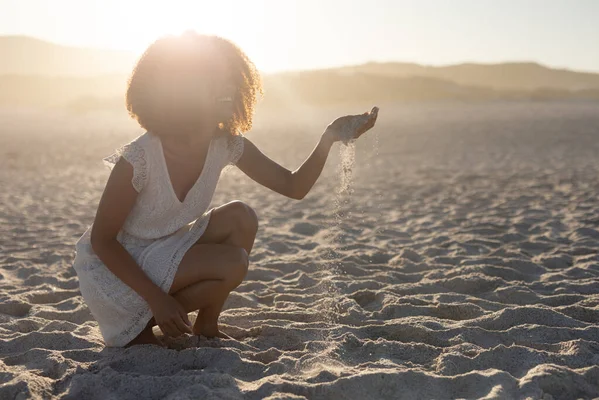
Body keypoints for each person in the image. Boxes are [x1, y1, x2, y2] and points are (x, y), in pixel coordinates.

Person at [71, 30, 379, 348]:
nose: (228, 89)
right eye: (214, 80)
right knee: (233, 263)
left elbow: (293, 185)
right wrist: (156, 299)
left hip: (164, 250)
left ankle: (207, 324)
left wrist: (329, 136)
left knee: (241, 217)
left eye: (230, 79)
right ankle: (151, 315)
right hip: (119, 273)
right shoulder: (140, 157)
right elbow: (102, 241)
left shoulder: (226, 144)